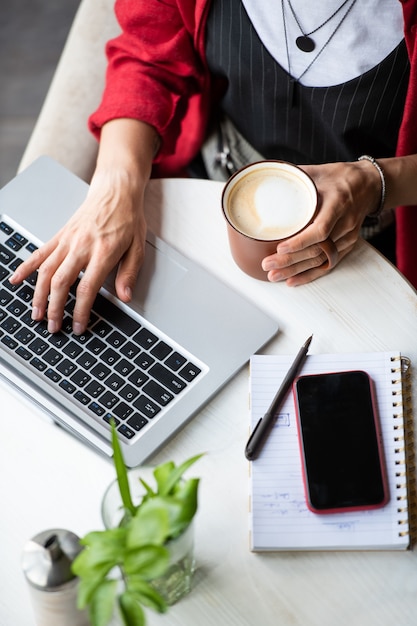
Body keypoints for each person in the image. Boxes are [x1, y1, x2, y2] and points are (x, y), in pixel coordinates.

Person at [10, 0, 417, 336]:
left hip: (378, 238)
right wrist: (114, 186)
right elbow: (147, 56)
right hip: (205, 183)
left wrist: (378, 182)